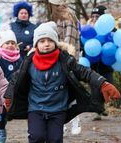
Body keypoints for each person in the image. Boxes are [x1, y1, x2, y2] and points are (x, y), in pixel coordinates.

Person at [4, 22, 120, 143]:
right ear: (36, 44)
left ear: (55, 43)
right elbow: (15, 80)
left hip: (58, 109)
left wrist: (102, 82)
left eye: (50, 41)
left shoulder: (65, 60)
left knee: (55, 140)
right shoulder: (29, 62)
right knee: (37, 136)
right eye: (42, 41)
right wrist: (9, 96)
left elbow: (84, 72)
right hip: (36, 108)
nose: (46, 44)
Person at [49, 0, 81, 135]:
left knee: (70, 90)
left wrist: (64, 57)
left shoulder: (68, 17)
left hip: (67, 59)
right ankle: (61, 123)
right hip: (58, 58)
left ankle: (75, 121)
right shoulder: (57, 18)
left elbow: (69, 42)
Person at [88, 5, 116, 121]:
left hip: (106, 64)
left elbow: (116, 41)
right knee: (95, 87)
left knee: (108, 84)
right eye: (93, 16)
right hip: (93, 64)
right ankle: (98, 110)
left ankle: (102, 106)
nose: (95, 18)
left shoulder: (111, 29)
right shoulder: (89, 30)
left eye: (97, 16)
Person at [0, 30, 22, 143]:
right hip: (2, 90)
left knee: (11, 112)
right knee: (2, 113)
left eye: (12, 43)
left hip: (15, 90)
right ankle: (1, 131)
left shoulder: (19, 58)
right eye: (7, 43)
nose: (10, 45)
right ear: (1, 45)